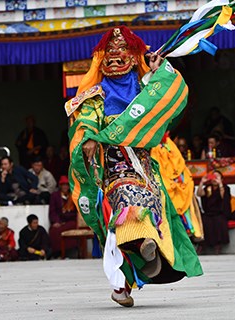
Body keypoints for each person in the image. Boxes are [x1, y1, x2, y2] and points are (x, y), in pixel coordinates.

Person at [66, 26, 202, 307]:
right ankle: (133, 265)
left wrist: (158, 69)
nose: (115, 62)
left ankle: (132, 271)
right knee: (124, 206)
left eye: (122, 55)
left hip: (145, 166)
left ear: (133, 57)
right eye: (110, 57)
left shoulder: (143, 88)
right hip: (114, 166)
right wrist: (90, 137)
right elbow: (85, 120)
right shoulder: (95, 94)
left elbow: (166, 96)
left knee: (150, 209)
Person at [197, 171, 230, 254]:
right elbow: (199, 194)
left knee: (219, 221)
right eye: (213, 177)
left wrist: (220, 184)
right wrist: (202, 182)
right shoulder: (208, 188)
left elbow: (223, 196)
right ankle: (202, 245)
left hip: (220, 213)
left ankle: (217, 246)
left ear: (221, 179)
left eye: (217, 177)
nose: (215, 179)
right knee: (204, 221)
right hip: (209, 213)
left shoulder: (225, 188)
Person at [49, 176, 78, 258]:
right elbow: (52, 211)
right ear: (60, 186)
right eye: (63, 185)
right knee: (54, 231)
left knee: (70, 227)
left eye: (67, 185)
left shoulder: (73, 196)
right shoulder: (55, 196)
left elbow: (76, 211)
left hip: (71, 220)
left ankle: (70, 253)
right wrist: (56, 221)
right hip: (59, 220)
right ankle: (58, 253)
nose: (65, 187)